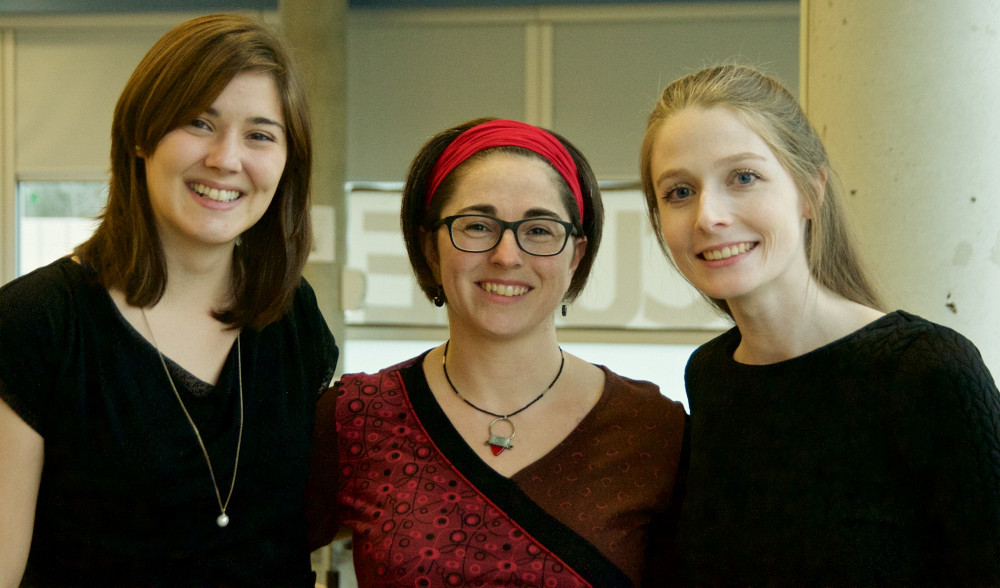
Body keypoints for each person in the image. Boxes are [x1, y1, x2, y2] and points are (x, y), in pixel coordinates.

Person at [0, 14, 337, 586]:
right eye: (198, 122)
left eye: (260, 134)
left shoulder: (292, 313)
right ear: (140, 134)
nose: (226, 160)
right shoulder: (35, 323)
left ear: (287, 164)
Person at [640, 64, 1000, 586]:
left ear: (810, 191)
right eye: (678, 192)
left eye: (743, 177)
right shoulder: (712, 374)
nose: (707, 216)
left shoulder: (925, 368)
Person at [305, 118, 687, 587]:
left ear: (576, 255)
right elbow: (242, 556)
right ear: (430, 247)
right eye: (477, 225)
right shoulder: (356, 417)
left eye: (540, 230)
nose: (507, 255)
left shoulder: (650, 430)